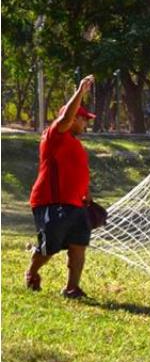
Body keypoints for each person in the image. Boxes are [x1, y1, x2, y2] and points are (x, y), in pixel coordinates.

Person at [26, 74, 96, 298]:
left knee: (79, 245)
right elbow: (65, 117)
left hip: (75, 203)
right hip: (52, 202)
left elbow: (79, 173)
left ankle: (72, 287)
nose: (86, 123)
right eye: (83, 118)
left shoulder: (75, 144)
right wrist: (80, 92)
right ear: (74, 117)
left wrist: (87, 194)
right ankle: (32, 272)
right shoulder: (55, 134)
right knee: (50, 247)